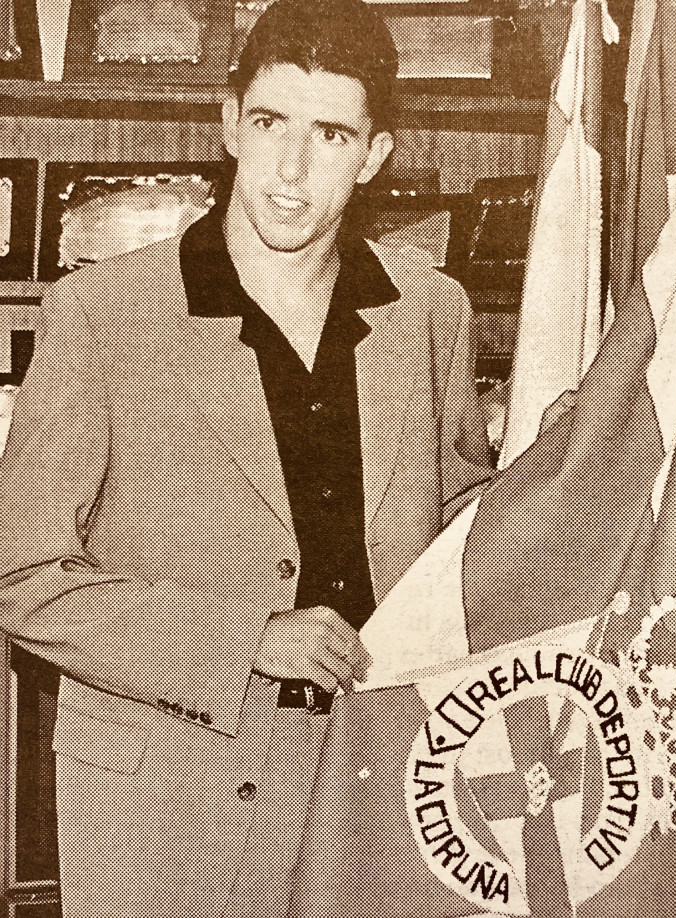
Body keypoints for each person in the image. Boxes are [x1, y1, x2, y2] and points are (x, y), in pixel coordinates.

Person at [0, 0, 493, 915]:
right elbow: (22, 578)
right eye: (270, 123)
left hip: (379, 781)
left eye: (332, 135)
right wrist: (245, 639)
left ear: (376, 154)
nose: (292, 172)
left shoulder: (430, 309)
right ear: (230, 122)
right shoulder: (101, 315)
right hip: (165, 807)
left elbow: (461, 534)